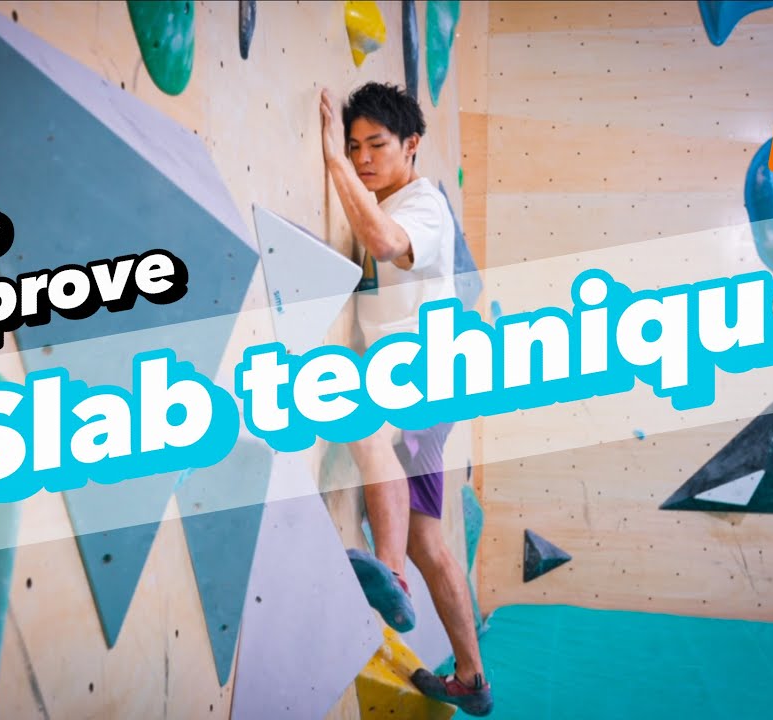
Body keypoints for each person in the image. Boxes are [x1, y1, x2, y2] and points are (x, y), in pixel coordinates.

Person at [318, 81, 493, 717]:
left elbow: (389, 244)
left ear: (411, 145)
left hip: (425, 367)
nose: (363, 157)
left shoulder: (421, 206)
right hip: (427, 372)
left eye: (377, 145)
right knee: (430, 542)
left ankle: (389, 575)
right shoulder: (387, 199)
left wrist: (334, 163)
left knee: (369, 431)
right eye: (353, 146)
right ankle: (472, 679)